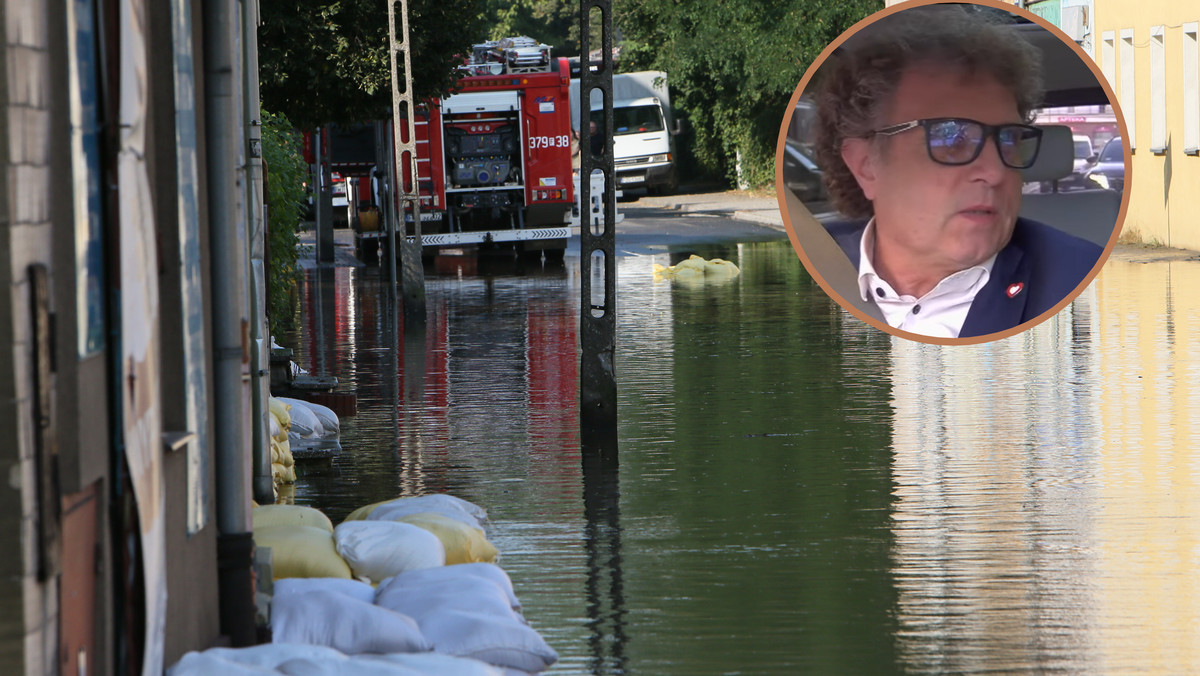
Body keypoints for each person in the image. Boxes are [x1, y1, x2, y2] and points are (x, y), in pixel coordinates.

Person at [812, 4, 1103, 339]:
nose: (995, 172)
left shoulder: (1081, 279)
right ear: (866, 165)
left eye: (1009, 140)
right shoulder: (817, 258)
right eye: (951, 137)